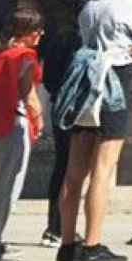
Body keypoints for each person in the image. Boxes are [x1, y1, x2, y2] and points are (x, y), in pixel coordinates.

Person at [58, 0, 132, 261]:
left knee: (74, 174)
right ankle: (92, 246)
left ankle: (67, 246)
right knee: (102, 170)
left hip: (85, 86)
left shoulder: (90, 8)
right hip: (115, 85)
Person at [0, 7, 46, 259]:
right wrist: (39, 118)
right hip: (12, 125)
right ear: (25, 32)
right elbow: (29, 94)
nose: (40, 34)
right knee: (7, 186)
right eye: (37, 30)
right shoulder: (24, 56)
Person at [39, 13, 84, 248]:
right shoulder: (82, 41)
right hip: (77, 109)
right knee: (73, 169)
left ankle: (54, 227)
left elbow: (46, 79)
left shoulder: (58, 41)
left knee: (61, 166)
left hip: (58, 105)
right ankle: (62, 229)